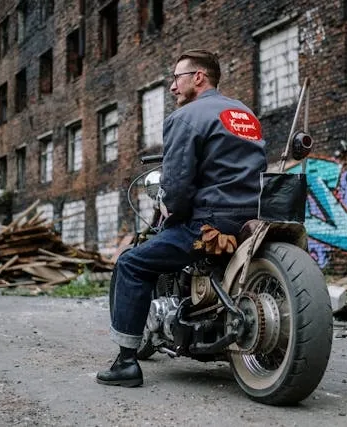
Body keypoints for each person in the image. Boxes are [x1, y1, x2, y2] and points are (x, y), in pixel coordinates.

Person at [96, 49, 268, 387]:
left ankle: (126, 362)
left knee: (131, 263)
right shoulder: (245, 114)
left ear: (198, 77)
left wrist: (168, 206)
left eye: (177, 78)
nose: (173, 87)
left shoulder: (186, 118)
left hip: (209, 224)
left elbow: (175, 187)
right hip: (251, 219)